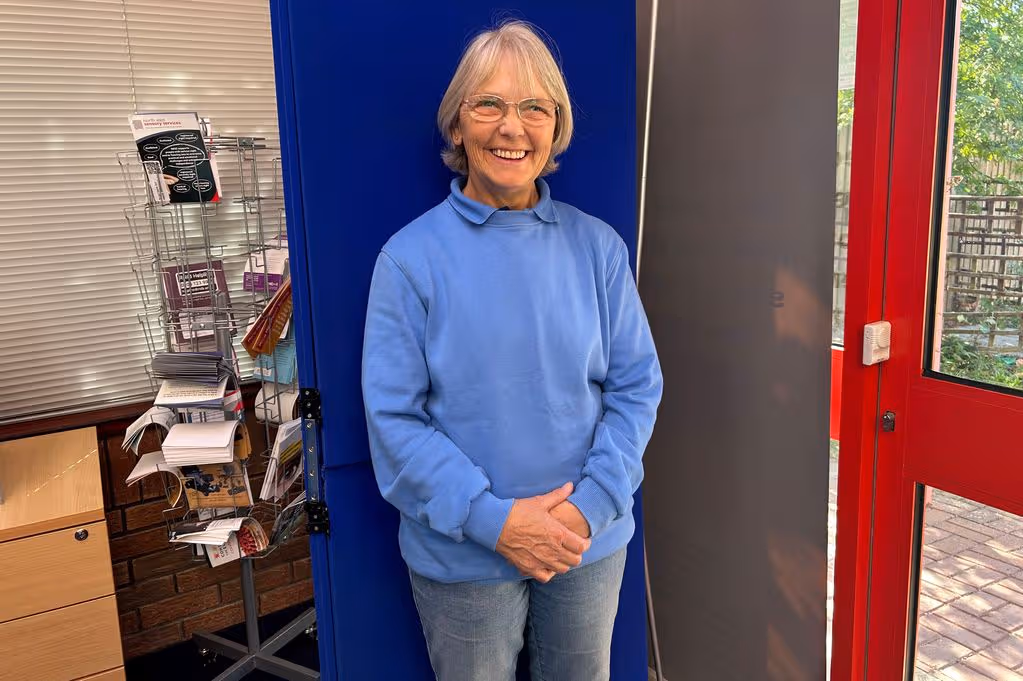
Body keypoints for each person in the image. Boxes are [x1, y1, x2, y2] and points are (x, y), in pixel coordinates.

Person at [361, 20, 663, 681]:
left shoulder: (598, 249)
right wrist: (493, 521)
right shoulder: (408, 260)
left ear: (555, 128)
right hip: (462, 559)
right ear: (457, 124)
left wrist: (586, 508)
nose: (511, 127)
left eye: (534, 107)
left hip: (585, 544)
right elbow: (394, 422)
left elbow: (636, 388)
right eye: (489, 104)